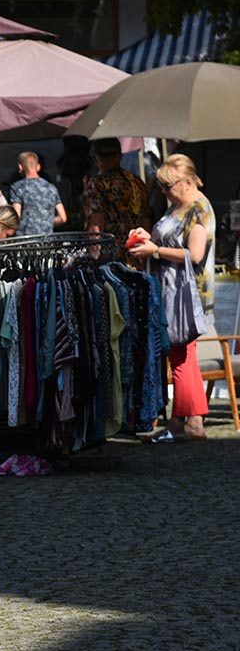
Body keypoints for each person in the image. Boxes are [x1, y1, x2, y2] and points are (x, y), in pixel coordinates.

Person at [128, 155, 216, 440]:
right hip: (170, 290)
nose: (163, 192)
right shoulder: (179, 206)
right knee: (179, 354)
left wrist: (154, 250)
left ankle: (191, 422)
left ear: (187, 182)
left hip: (186, 294)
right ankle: (186, 419)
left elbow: (195, 255)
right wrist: (147, 236)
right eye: (161, 186)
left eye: (167, 186)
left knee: (182, 355)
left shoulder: (198, 210)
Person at [80, 139, 149, 263]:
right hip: (136, 255)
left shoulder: (98, 184)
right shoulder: (137, 182)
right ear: (119, 155)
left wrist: (93, 256)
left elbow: (96, 226)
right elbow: (146, 221)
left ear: (96, 158)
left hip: (112, 260)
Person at [8, 151, 66, 236]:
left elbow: (16, 216)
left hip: (25, 241)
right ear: (38, 167)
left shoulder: (18, 187)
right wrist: (45, 221)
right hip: (46, 241)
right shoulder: (51, 188)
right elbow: (63, 218)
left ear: (20, 167)